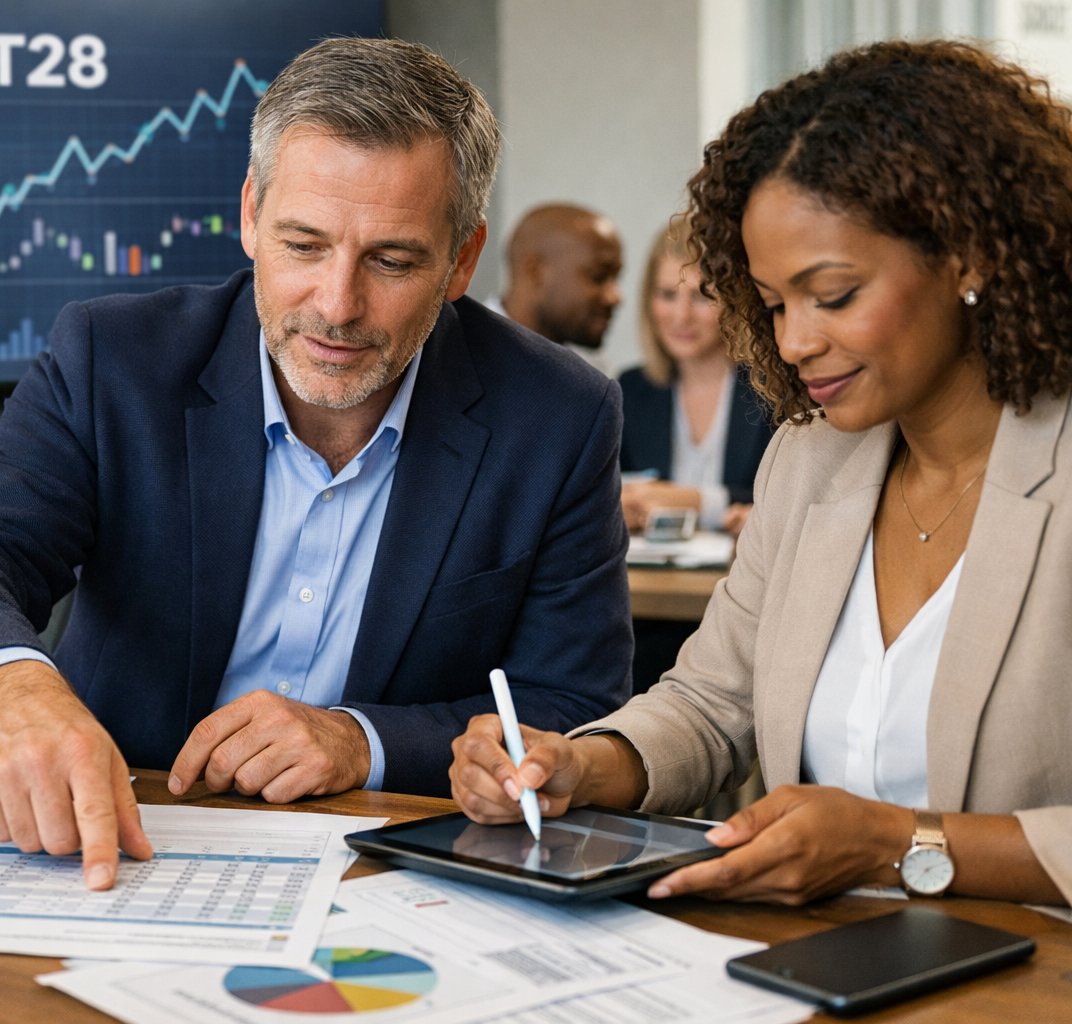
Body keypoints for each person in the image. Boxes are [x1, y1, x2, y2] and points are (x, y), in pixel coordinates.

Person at [0, 37, 632, 891]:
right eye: (303, 245)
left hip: (383, 871)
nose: (336, 307)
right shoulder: (113, 360)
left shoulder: (559, 415)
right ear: (250, 215)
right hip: (107, 840)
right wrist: (13, 692)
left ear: (461, 260)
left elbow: (573, 704)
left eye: (391, 260)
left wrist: (361, 741)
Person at [450, 39, 1072, 907]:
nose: (793, 342)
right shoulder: (812, 458)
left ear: (968, 253)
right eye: (774, 303)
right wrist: (579, 764)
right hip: (815, 953)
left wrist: (896, 847)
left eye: (834, 295)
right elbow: (711, 703)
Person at [618, 223, 775, 537]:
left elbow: (786, 499)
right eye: (667, 295)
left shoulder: (772, 388)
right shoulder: (631, 389)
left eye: (702, 296)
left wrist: (695, 501)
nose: (681, 316)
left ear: (734, 300)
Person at [489, 203, 623, 375]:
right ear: (535, 271)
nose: (614, 297)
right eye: (598, 277)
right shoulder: (464, 355)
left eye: (615, 278)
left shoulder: (593, 371)